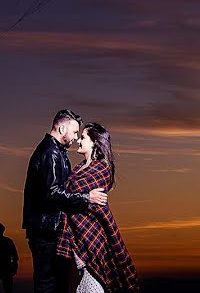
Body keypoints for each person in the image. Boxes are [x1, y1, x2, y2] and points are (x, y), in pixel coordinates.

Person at [23, 109, 109, 293]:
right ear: (62, 129)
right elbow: (53, 194)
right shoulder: (50, 153)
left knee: (58, 284)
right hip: (45, 230)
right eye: (75, 132)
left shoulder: (58, 152)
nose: (76, 137)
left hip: (51, 229)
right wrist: (87, 198)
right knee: (47, 284)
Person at [56, 123, 139, 293]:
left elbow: (71, 193)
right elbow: (68, 195)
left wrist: (73, 197)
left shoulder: (102, 169)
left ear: (94, 142)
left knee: (95, 283)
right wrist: (80, 197)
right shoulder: (78, 169)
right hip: (73, 237)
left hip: (92, 234)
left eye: (84, 137)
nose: (79, 140)